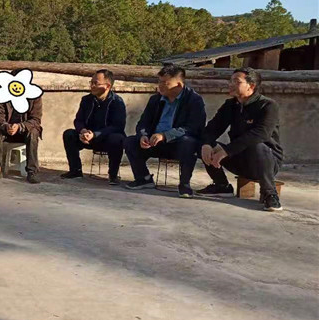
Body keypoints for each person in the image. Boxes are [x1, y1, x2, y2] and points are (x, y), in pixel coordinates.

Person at [199, 67, 283, 212]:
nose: (230, 84)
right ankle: (222, 185)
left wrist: (227, 150)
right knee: (200, 144)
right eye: (230, 81)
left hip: (265, 162)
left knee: (257, 145)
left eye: (236, 82)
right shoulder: (230, 105)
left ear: (251, 86)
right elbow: (212, 128)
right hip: (239, 159)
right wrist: (206, 144)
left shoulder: (268, 105)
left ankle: (270, 194)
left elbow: (261, 134)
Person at [124, 64, 206, 197]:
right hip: (154, 142)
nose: (160, 86)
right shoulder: (155, 99)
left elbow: (193, 127)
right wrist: (143, 135)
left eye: (165, 83)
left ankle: (184, 184)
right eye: (159, 82)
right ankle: (143, 178)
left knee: (188, 142)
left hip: (178, 144)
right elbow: (143, 123)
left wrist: (165, 135)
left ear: (178, 85)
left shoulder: (194, 100)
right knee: (130, 141)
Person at [61, 69, 126, 185]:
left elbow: (118, 126)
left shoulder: (117, 102)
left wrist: (95, 134)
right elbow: (78, 120)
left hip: (105, 138)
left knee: (117, 138)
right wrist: (83, 131)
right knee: (69, 134)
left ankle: (113, 175)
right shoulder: (86, 100)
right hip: (87, 138)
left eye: (96, 83)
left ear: (107, 86)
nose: (92, 86)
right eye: (91, 82)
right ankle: (75, 170)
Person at [0, 97, 43, 184]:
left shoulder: (34, 96)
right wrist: (7, 127)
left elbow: (36, 120)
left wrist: (20, 126)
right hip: (8, 131)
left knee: (33, 133)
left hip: (26, 131)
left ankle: (32, 171)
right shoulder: (3, 96)